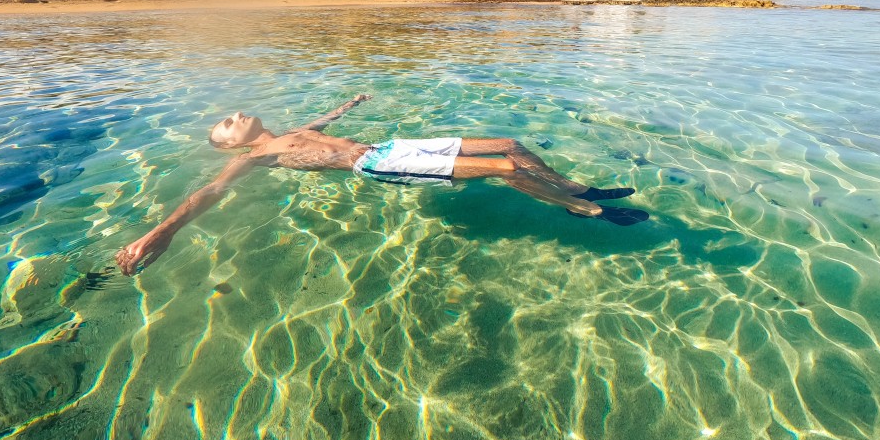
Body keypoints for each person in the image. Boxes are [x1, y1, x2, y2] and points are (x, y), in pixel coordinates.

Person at [115, 95, 647, 275]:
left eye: (231, 115)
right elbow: (205, 194)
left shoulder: (297, 131)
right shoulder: (253, 158)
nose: (234, 117)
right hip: (379, 166)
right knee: (505, 173)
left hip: (392, 147)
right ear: (232, 146)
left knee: (509, 145)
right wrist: (163, 231)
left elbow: (324, 119)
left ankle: (578, 190)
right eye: (227, 125)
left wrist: (350, 106)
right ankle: (586, 213)